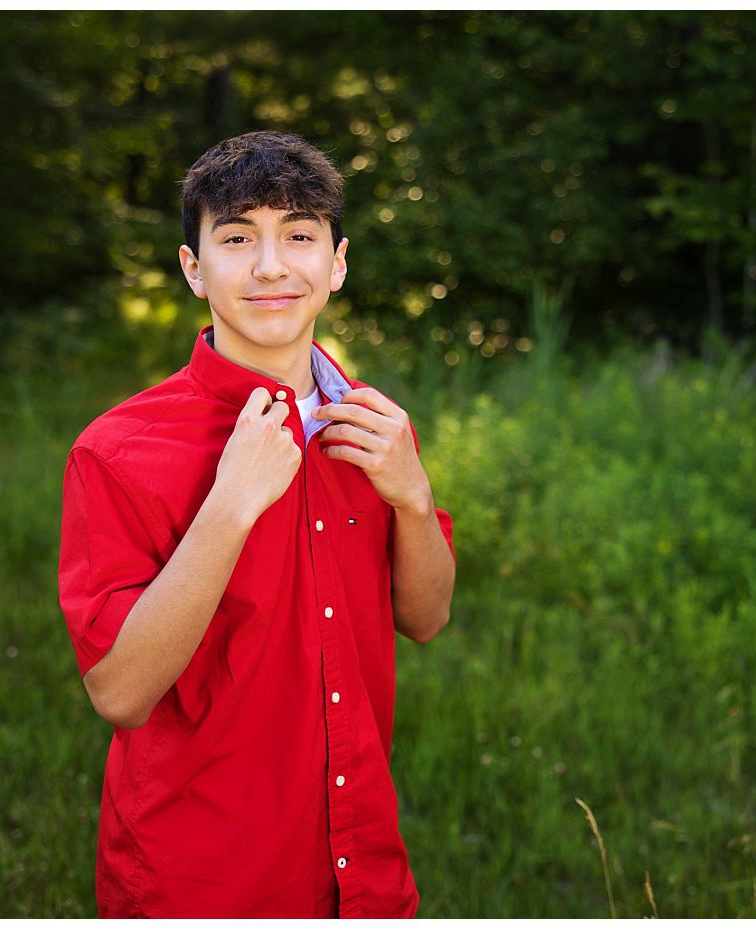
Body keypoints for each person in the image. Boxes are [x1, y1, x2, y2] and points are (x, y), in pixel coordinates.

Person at [56, 131, 457, 917]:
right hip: (203, 875)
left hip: (360, 867)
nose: (271, 265)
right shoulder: (117, 450)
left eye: (299, 235)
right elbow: (120, 692)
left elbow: (427, 616)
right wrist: (229, 506)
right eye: (238, 238)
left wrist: (412, 495)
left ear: (337, 263)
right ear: (193, 268)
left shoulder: (371, 425)